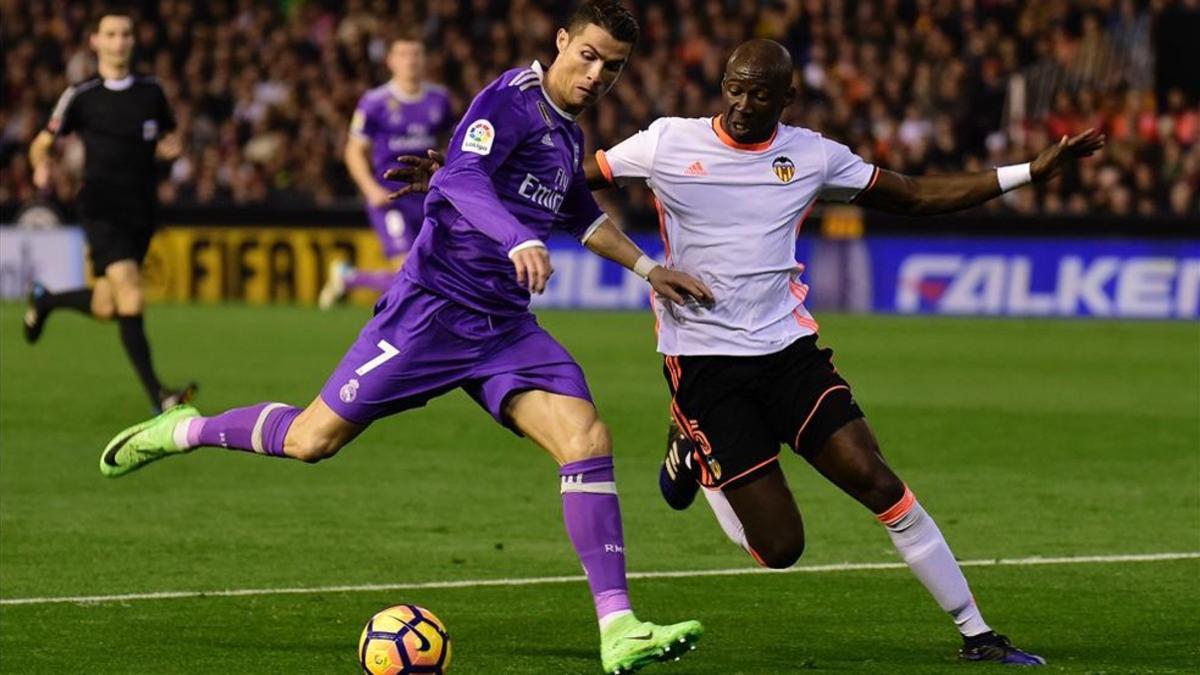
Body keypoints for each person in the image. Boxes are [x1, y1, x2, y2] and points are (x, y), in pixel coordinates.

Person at [391, 37, 1105, 669]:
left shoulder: (812, 154)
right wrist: (461, 174)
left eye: (758, 92)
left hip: (790, 350)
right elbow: (566, 183)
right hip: (703, 366)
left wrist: (1029, 173)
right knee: (780, 549)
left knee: (877, 480)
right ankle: (693, 455)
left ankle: (978, 633)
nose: (740, 101)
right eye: (732, 85)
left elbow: (914, 195)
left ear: (785, 98)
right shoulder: (669, 141)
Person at [98, 3, 712, 673]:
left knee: (587, 438)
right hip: (430, 313)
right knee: (311, 440)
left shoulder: (567, 136)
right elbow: (460, 176)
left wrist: (652, 269)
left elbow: (584, 217)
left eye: (613, 68)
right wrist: (517, 236)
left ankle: (618, 628)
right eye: (589, 55)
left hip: (504, 329)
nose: (597, 75)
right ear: (561, 42)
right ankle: (185, 427)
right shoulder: (510, 100)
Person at [24, 9, 195, 413]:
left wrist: (172, 148)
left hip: (142, 210)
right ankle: (160, 396)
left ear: (133, 42)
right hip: (100, 208)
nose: (119, 41)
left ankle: (46, 300)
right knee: (131, 294)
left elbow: (170, 136)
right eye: (111, 34)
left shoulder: (152, 92)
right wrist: (39, 164)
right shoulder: (81, 96)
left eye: (126, 34)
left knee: (107, 306)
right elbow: (41, 142)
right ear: (95, 43)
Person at [318, 32, 454, 310]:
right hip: (390, 197)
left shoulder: (440, 100)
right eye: (403, 54)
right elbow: (353, 150)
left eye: (416, 54)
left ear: (425, 59)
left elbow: (449, 147)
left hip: (428, 197)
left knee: (424, 273)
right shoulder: (375, 102)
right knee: (407, 269)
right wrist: (370, 190)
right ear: (390, 61)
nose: (411, 61)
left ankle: (349, 278)